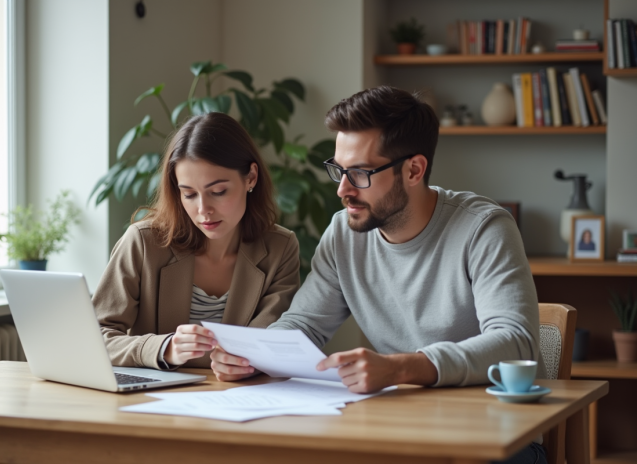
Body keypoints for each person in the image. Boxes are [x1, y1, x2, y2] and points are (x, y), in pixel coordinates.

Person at [210, 86, 546, 464]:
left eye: (360, 173)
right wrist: (254, 356)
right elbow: (304, 324)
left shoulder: (483, 228)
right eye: (338, 169)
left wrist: (401, 366)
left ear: (414, 169)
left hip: (494, 436)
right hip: (398, 428)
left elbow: (516, 342)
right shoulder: (343, 234)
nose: (342, 189)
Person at [93, 112, 301, 369]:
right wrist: (163, 348)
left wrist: (250, 365)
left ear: (251, 178)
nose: (203, 209)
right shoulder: (143, 243)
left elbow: (274, 342)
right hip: (153, 402)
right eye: (189, 194)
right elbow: (94, 336)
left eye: (218, 192)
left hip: (240, 400)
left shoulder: (280, 248)